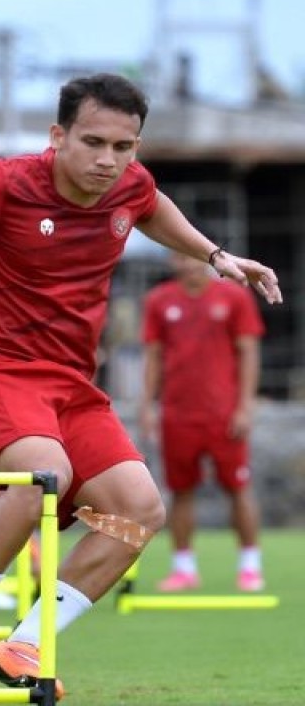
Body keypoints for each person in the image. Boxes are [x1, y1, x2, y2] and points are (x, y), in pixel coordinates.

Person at [0, 73, 281, 697]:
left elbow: (151, 207)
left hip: (68, 380)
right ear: (57, 136)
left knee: (139, 511)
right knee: (42, 477)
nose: (108, 160)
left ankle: (25, 644)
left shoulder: (131, 184)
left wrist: (217, 257)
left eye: (124, 146)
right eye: (93, 142)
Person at [139, 252, 266, 592]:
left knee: (237, 486)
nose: (187, 262)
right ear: (170, 261)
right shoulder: (159, 300)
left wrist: (244, 407)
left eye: (192, 255)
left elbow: (248, 351)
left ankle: (250, 565)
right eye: (179, 255)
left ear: (208, 258)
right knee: (181, 489)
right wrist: (147, 406)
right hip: (178, 413)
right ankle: (184, 567)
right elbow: (152, 357)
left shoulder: (234, 297)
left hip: (223, 413)